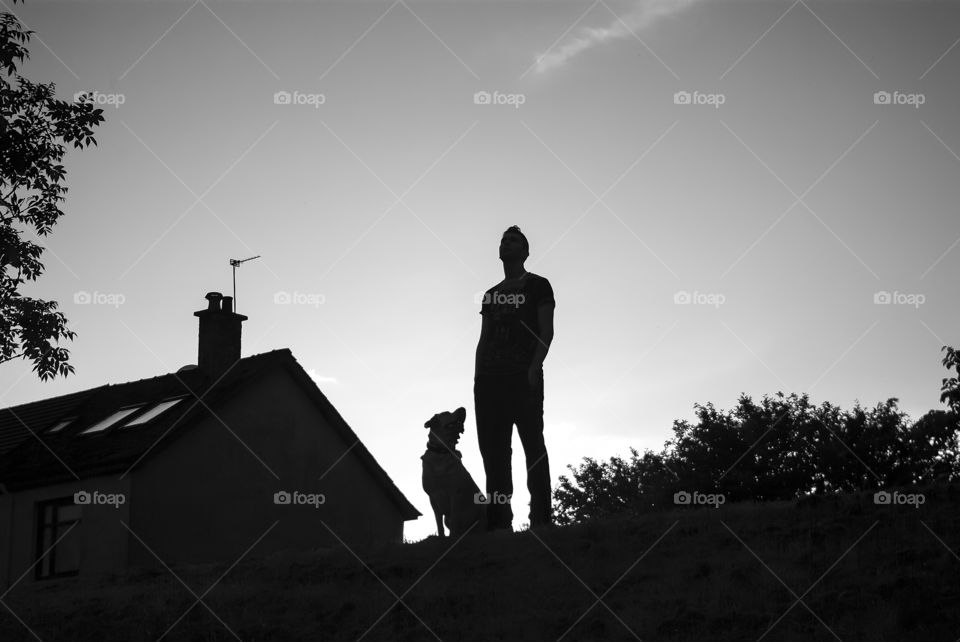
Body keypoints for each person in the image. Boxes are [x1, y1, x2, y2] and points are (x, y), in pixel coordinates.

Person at [474, 225, 555, 531]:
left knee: (533, 446)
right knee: (494, 453)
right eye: (503, 240)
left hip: (524, 377)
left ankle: (541, 520)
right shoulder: (490, 294)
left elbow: (546, 330)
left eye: (513, 240)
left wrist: (535, 366)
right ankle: (499, 523)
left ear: (525, 251)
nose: (506, 244)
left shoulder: (538, 286)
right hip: (489, 381)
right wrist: (478, 376)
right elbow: (484, 338)